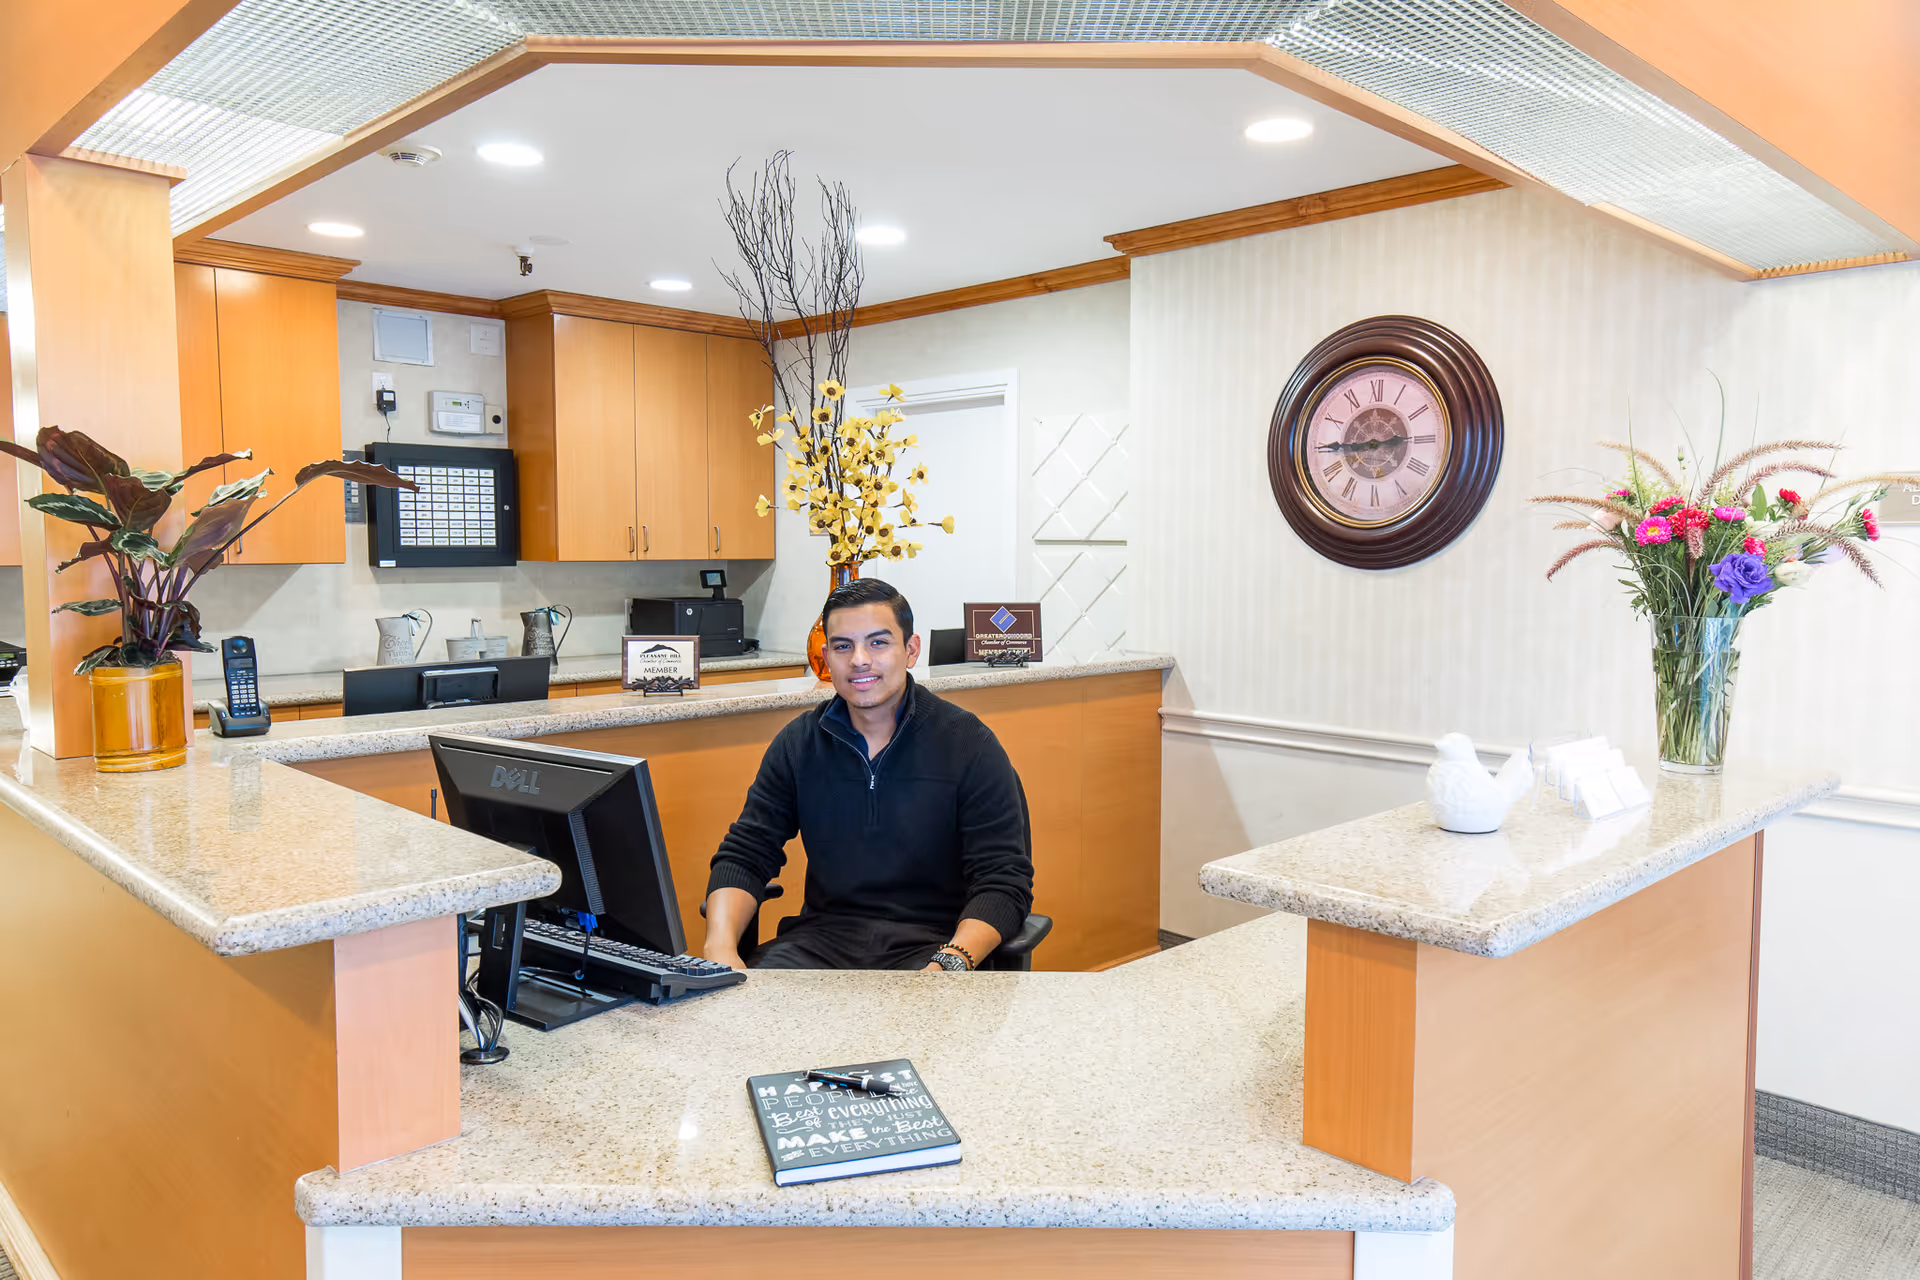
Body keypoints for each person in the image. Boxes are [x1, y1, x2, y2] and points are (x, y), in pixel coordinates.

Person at [701, 578, 1033, 972]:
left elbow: (1002, 881)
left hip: (933, 947)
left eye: (878, 643)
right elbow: (747, 854)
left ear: (911, 651)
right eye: (843, 646)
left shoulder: (968, 743)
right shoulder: (799, 743)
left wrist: (950, 964)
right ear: (826, 657)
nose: (859, 659)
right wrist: (720, 950)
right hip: (819, 946)